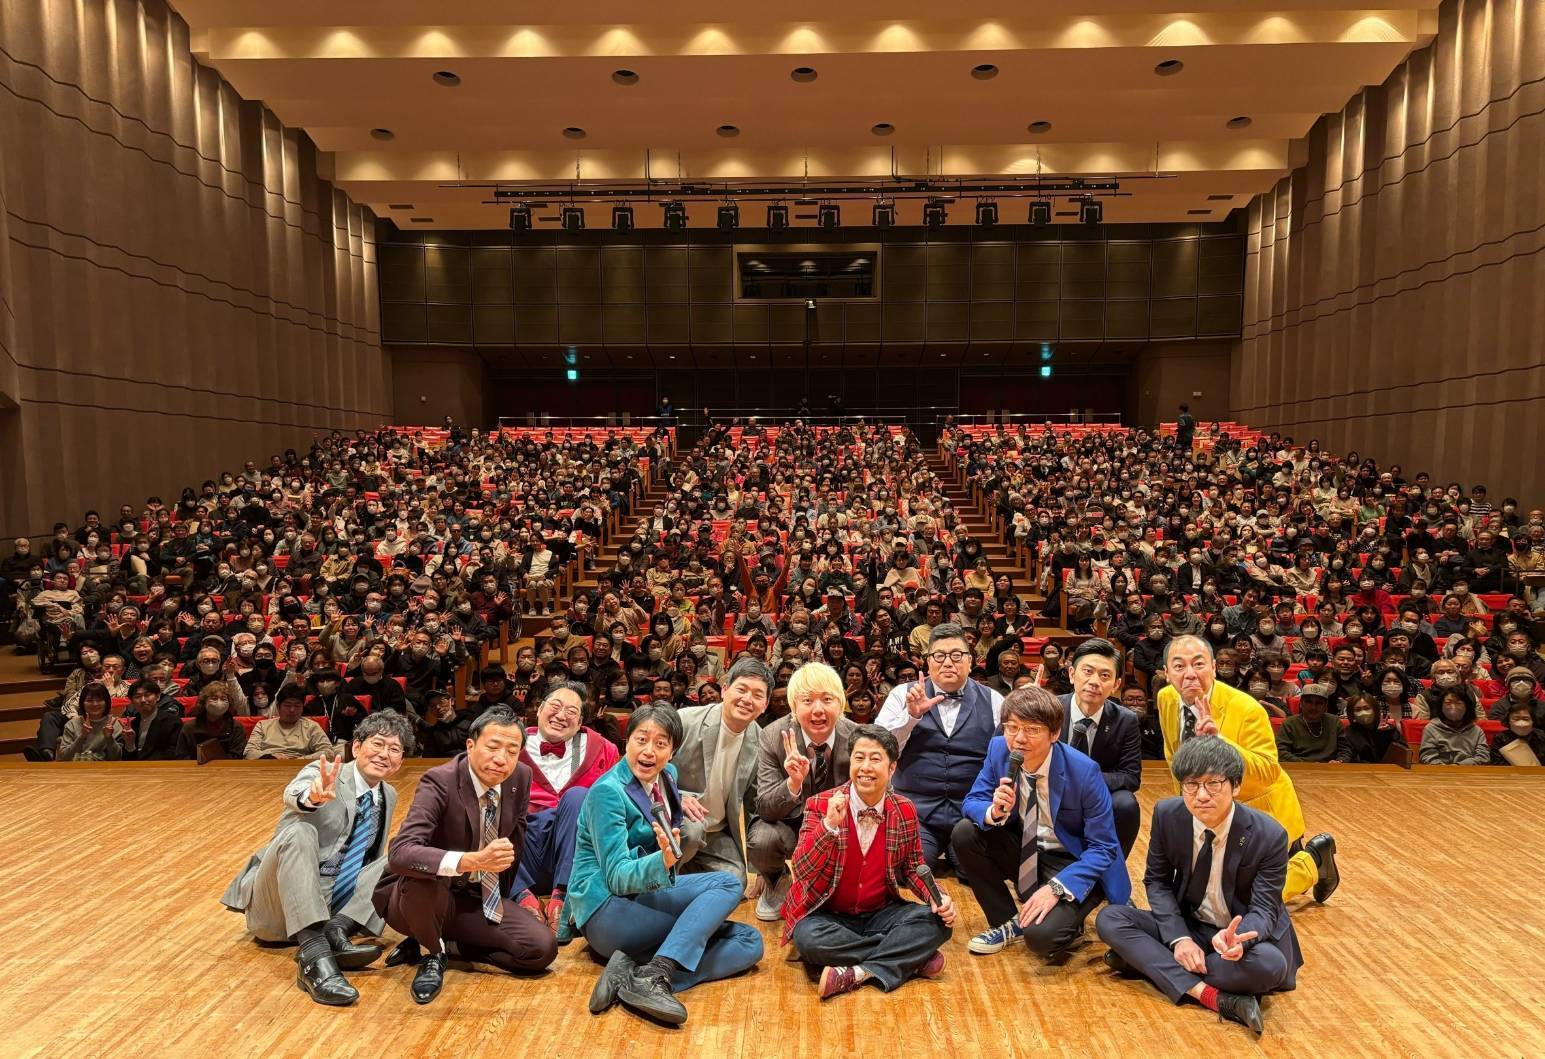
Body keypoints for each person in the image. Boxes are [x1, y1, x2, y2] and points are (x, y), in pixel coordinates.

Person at [570, 704, 764, 1027]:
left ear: (672, 751)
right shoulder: (607, 793)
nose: (649, 750)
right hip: (608, 912)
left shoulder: (667, 775)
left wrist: (682, 800)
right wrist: (661, 862)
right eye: (641, 739)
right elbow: (616, 877)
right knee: (728, 882)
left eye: (661, 743)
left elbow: (664, 802)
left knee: (749, 942)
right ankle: (656, 974)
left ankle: (636, 974)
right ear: (627, 742)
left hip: (643, 904)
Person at [1096, 737, 1302, 1036]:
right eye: (1191, 784)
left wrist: (1238, 940)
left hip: (1236, 939)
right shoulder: (1168, 815)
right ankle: (1213, 997)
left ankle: (1147, 963)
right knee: (1111, 918)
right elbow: (1157, 881)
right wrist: (1179, 939)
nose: (1201, 795)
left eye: (1213, 784)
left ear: (1236, 786)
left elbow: (1265, 909)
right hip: (1190, 926)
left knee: (1270, 966)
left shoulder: (1269, 835)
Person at [220, 712, 415, 1006]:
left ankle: (336, 931)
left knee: (403, 854)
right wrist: (311, 797)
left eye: (394, 749)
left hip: (333, 902)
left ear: (400, 761)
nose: (384, 754)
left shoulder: (388, 794)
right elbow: (295, 792)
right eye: (377, 744)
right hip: (279, 905)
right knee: (299, 833)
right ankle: (314, 955)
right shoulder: (324, 772)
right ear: (356, 747)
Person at [372, 706, 559, 1004]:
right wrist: (472, 861)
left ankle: (447, 944)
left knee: (541, 950)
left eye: (512, 751)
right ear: (470, 745)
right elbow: (401, 852)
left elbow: (516, 838)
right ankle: (431, 953)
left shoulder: (520, 777)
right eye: (493, 747)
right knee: (426, 877)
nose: (502, 759)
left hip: (473, 897)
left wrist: (503, 891)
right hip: (416, 897)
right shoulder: (439, 781)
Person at [950, 685, 1131, 960]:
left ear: (1054, 734)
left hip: (1073, 860)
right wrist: (994, 811)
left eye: (1032, 729)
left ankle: (1070, 917)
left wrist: (1057, 888)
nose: (1019, 738)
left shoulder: (1083, 771)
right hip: (1027, 850)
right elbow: (972, 801)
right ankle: (1007, 921)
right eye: (1011, 728)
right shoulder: (999, 749)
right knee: (965, 833)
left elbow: (1103, 848)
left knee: (1042, 939)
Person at [1157, 635, 1339, 904]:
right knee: (1200, 895)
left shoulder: (1247, 709)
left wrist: (1220, 742)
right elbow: (1174, 755)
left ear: (1214, 668)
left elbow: (1267, 770)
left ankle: (1313, 860)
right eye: (1179, 666)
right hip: (1211, 810)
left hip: (1258, 811)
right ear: (1167, 673)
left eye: (1199, 664)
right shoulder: (1166, 698)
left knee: (1244, 901)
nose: (1190, 674)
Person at [780, 723, 956, 998]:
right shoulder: (820, 803)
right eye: (859, 758)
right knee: (808, 938)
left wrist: (937, 897)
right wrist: (828, 826)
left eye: (875, 759)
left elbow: (913, 867)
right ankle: (909, 956)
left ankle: (858, 972)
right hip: (827, 913)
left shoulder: (904, 809)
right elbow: (802, 870)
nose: (865, 767)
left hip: (880, 912)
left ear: (892, 768)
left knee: (939, 922)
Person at [877, 622, 1005, 869]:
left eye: (956, 655)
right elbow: (880, 752)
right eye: (939, 656)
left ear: (970, 661)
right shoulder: (901, 695)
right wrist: (910, 717)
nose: (948, 663)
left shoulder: (994, 700)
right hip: (916, 812)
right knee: (913, 868)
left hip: (970, 813)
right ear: (928, 662)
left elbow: (1005, 758)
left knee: (973, 871)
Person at [510, 681, 621, 942]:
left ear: (581, 721)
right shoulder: (511, 743)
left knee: (579, 797)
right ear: (539, 709)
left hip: (574, 853)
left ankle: (563, 898)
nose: (561, 716)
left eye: (571, 712)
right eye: (555, 706)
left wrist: (673, 795)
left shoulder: (604, 749)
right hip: (520, 852)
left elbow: (627, 788)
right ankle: (522, 898)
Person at [751, 661, 859, 922]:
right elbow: (765, 808)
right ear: (793, 706)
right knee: (762, 840)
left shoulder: (858, 737)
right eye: (807, 700)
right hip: (790, 823)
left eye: (827, 699)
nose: (818, 709)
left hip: (839, 824)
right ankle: (777, 880)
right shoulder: (772, 736)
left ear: (841, 704)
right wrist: (793, 783)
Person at [673, 658, 773, 889]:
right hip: (676, 821)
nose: (747, 699)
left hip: (715, 832)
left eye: (757, 695)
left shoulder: (761, 742)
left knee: (735, 881)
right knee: (691, 831)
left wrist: (760, 866)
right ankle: (661, 881)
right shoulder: (685, 720)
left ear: (765, 704)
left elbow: (754, 807)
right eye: (742, 689)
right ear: (725, 690)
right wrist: (676, 797)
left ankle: (682, 874)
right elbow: (648, 771)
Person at [1057, 638, 1143, 854]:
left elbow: (1131, 777)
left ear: (1116, 685)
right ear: (1071, 674)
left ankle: (1110, 867)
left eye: (1105, 676)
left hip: (1097, 793)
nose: (1094, 681)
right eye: (1087, 671)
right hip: (1051, 787)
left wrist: (1086, 780)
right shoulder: (1050, 709)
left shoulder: (1126, 720)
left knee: (1125, 804)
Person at [245, 685, 334, 760]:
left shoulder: (311, 726)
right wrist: (271, 756)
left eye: (297, 706)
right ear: (278, 707)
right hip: (269, 764)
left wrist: (301, 759)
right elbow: (249, 753)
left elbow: (328, 752)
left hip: (302, 766)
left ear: (302, 707)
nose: (292, 710)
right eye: (287, 705)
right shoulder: (262, 725)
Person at [55, 682, 127, 761]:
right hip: (76, 766)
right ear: (82, 703)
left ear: (106, 702)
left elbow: (117, 758)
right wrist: (82, 737)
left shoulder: (115, 725)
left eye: (99, 700)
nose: (95, 704)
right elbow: (64, 757)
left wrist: (109, 738)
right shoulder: (72, 724)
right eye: (89, 700)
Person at [1274, 684, 1347, 763]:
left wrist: (1339, 761)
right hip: (1300, 766)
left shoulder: (1334, 721)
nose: (1313, 707)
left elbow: (1345, 749)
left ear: (1326, 706)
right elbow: (1281, 751)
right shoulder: (1290, 723)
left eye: (1319, 703)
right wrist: (1306, 765)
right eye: (1308, 702)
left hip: (1330, 767)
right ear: (1301, 704)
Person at [1418, 688, 1491, 765]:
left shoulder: (1477, 731)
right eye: (1448, 703)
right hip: (1439, 770)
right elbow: (1427, 756)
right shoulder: (1431, 728)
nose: (1453, 707)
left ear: (1466, 707)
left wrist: (1458, 766)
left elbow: (1483, 757)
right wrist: (1446, 769)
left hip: (1469, 769)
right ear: (1441, 707)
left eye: (1458, 703)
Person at [123, 676, 184, 760]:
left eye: (147, 695)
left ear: (158, 697)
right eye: (137, 696)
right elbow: (128, 759)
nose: (143, 700)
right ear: (132, 702)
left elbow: (172, 753)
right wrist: (130, 744)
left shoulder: (172, 722)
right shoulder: (133, 724)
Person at [1491, 700, 1545, 765]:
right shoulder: (1500, 738)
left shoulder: (1541, 736)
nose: (1521, 723)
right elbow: (1496, 762)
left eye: (1526, 719)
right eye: (1516, 719)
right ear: (1508, 721)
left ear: (1533, 721)